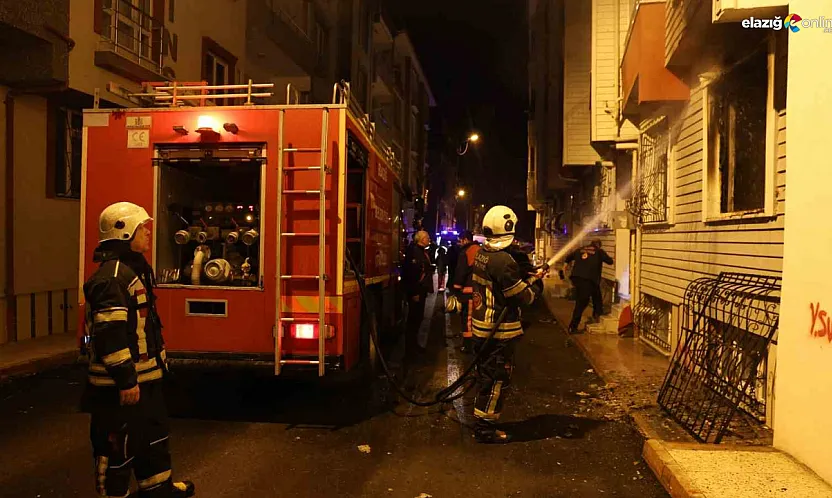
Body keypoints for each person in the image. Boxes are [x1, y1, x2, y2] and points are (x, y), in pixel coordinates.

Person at [80, 202, 195, 498]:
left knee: (151, 440)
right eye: (142, 227)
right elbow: (110, 334)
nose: (147, 233)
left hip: (145, 379)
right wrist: (125, 380)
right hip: (119, 388)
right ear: (125, 232)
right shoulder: (112, 277)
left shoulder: (132, 270)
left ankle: (159, 490)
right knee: (117, 448)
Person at [469, 205, 545, 443]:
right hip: (498, 332)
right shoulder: (503, 262)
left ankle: (482, 420)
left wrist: (527, 273)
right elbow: (524, 297)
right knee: (497, 379)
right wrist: (536, 282)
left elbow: (500, 282)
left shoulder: (483, 253)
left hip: (482, 327)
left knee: (486, 377)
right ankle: (485, 429)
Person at [562, 238, 614, 334]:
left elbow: (568, 258)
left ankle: (597, 313)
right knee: (582, 303)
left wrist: (565, 266)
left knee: (596, 293)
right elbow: (610, 261)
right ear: (598, 245)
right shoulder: (599, 251)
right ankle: (573, 327)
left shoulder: (580, 249)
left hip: (577, 278)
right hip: (588, 279)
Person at [402, 230, 434, 366]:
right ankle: (409, 351)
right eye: (427, 237)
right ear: (421, 239)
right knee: (413, 320)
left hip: (421, 291)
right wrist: (414, 292)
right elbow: (412, 273)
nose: (429, 239)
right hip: (417, 291)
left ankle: (414, 346)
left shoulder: (420, 251)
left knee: (418, 319)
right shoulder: (415, 252)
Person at [452, 230, 481, 353]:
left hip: (468, 292)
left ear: (465, 240)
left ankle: (468, 346)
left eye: (460, 240)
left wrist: (456, 288)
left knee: (467, 319)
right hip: (480, 292)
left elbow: (461, 272)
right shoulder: (480, 250)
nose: (459, 243)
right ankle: (477, 343)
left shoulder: (466, 252)